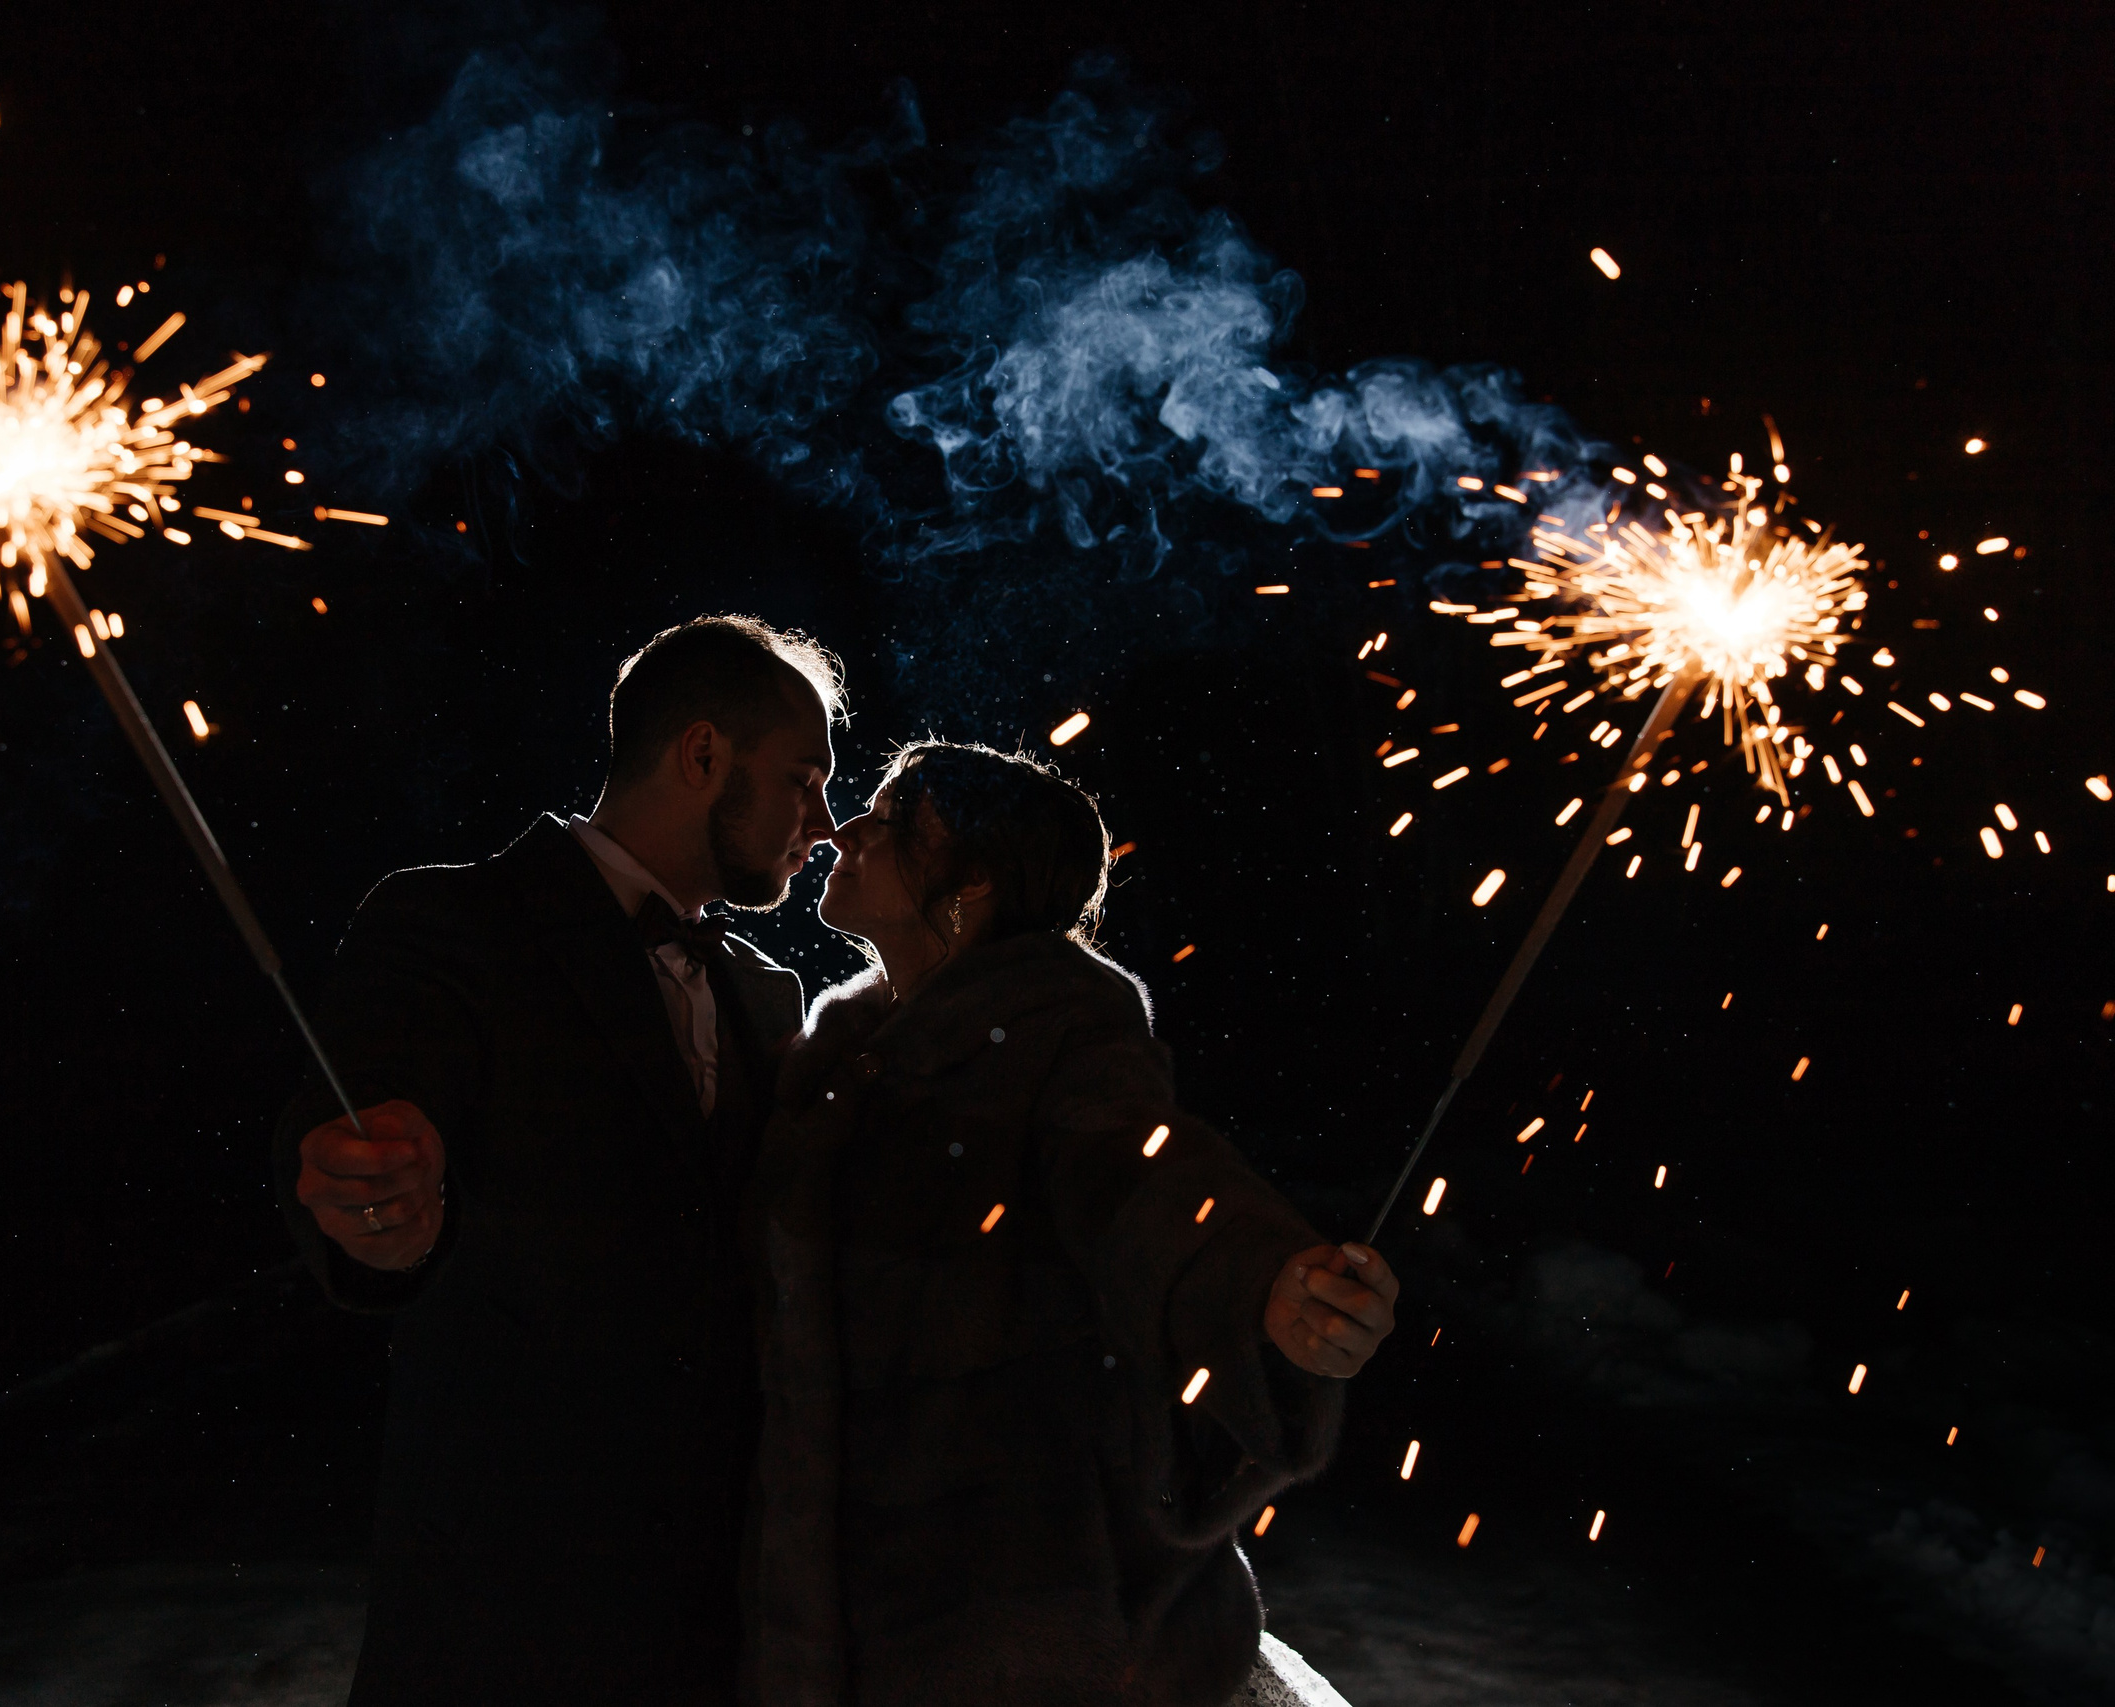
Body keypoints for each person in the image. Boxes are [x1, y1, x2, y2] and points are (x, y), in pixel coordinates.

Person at [744, 740, 1398, 1707]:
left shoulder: (1057, 1040)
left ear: (969, 887)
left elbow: (1151, 1181)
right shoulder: (840, 1057)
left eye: (891, 820)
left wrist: (1268, 1288)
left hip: (1024, 1625)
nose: (847, 830)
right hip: (866, 1613)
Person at [272, 615, 843, 1704]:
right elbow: (364, 1125)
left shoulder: (767, 997)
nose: (820, 823)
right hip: (508, 1612)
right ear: (703, 755)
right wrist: (374, 1201)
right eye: (802, 780)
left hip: (722, 1628)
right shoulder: (451, 921)